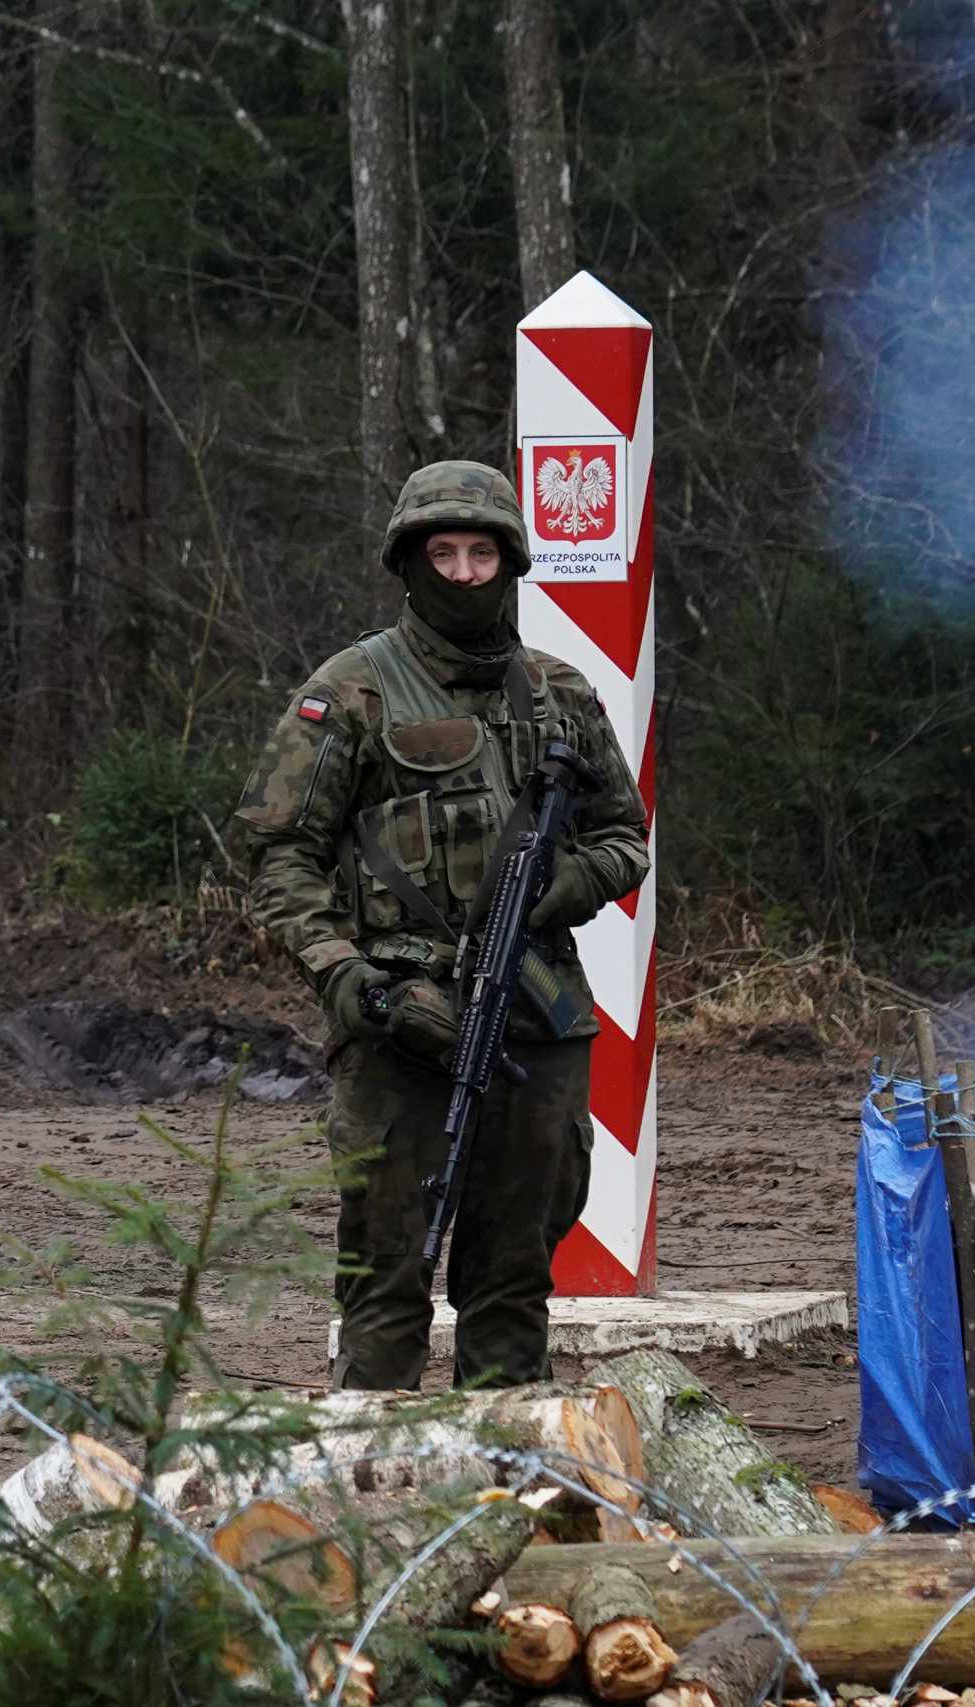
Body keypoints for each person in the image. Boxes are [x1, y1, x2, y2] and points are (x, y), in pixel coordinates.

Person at [232, 460, 649, 1390]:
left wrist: (558, 884)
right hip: (397, 1025)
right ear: (409, 561)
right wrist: (357, 983)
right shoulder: (349, 692)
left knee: (511, 1279)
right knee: (387, 1277)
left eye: (482, 552)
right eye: (443, 552)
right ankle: (374, 1500)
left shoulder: (558, 694)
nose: (463, 572)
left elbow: (625, 835)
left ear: (510, 561)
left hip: (534, 1016)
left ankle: (509, 1496)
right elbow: (278, 858)